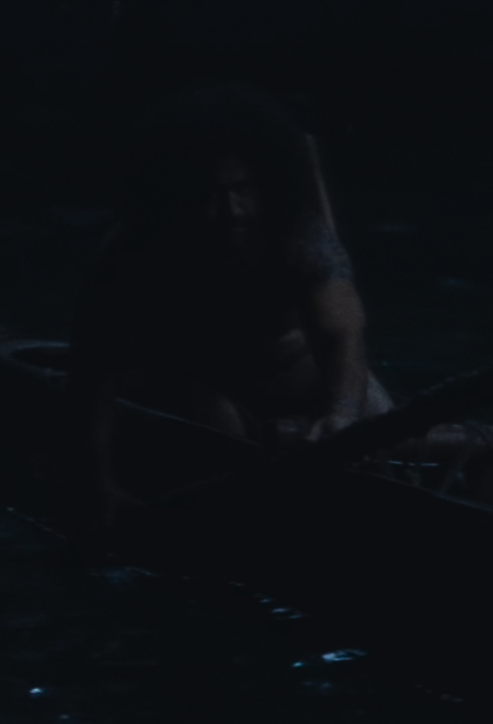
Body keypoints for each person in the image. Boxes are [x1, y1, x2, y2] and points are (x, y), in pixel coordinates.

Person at [69, 86, 393, 455]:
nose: (231, 210)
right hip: (191, 383)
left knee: (378, 418)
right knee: (218, 426)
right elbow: (95, 364)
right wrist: (95, 473)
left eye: (242, 189)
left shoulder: (297, 235)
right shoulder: (135, 247)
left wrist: (343, 412)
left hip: (294, 375)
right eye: (211, 193)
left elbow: (342, 332)